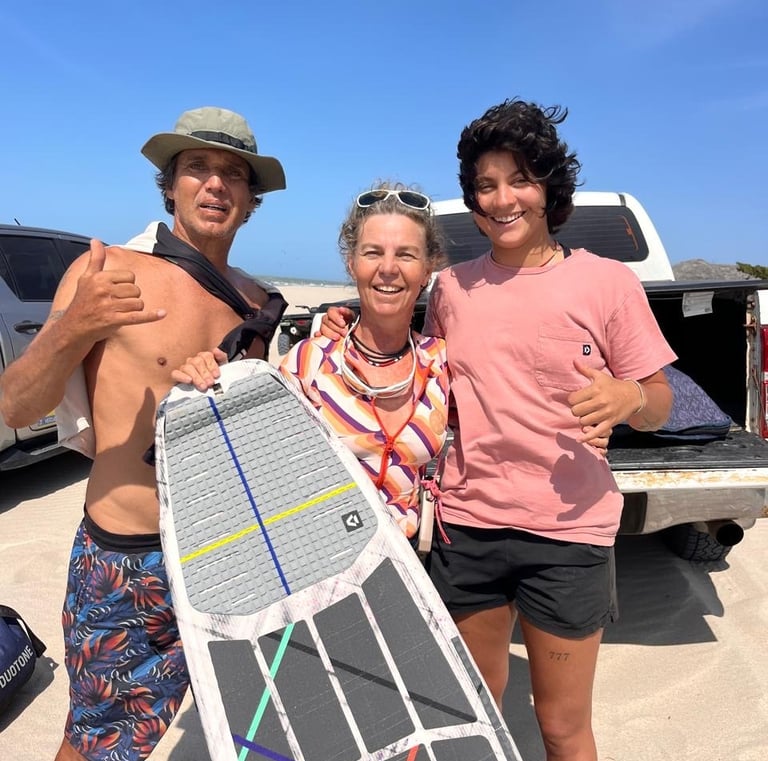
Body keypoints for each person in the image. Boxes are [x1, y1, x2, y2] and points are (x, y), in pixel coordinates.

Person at [321, 99, 676, 761]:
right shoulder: (452, 288)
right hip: (468, 527)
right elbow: (417, 370)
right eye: (487, 185)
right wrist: (349, 326)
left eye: (520, 179)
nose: (503, 198)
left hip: (568, 537)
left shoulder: (607, 282)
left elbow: (661, 401)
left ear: (549, 188)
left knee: (562, 727)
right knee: (470, 712)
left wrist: (628, 395)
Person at [0, 106, 287, 761]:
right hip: (129, 557)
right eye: (197, 168)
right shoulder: (109, 273)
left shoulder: (256, 304)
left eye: (233, 175)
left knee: (232, 729)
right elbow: (17, 405)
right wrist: (74, 326)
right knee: (99, 741)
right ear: (171, 185)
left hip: (223, 558)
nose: (215, 184)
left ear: (250, 199)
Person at [176, 183, 451, 543]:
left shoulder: (441, 362)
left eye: (406, 255)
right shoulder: (311, 363)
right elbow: (250, 461)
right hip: (324, 556)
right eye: (372, 253)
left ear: (428, 270)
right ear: (352, 265)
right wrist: (209, 383)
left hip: (412, 561)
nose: (388, 268)